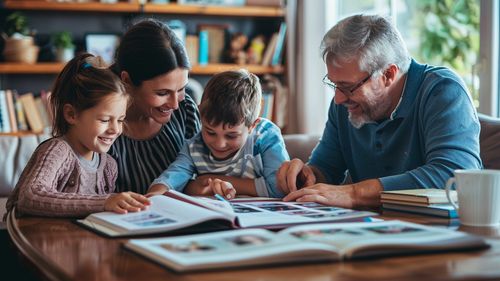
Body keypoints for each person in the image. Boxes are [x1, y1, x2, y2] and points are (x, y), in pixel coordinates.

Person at [277, 14, 482, 208]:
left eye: (348, 87)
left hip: (437, 233)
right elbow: (326, 168)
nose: (338, 99)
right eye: (334, 84)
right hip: (371, 230)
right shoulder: (345, 104)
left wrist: (355, 193)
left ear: (388, 74)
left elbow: (457, 177)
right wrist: (306, 176)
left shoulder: (442, 91)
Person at [5, 53, 150, 218]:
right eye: (104, 120)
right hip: (28, 240)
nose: (115, 129)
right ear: (71, 114)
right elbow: (31, 196)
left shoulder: (109, 165)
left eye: (120, 120)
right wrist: (104, 202)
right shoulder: (57, 151)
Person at [147, 70, 289, 199]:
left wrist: (217, 180)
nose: (219, 144)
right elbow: (174, 175)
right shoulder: (195, 146)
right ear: (200, 115)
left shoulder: (266, 136)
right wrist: (154, 194)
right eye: (210, 132)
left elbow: (279, 188)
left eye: (231, 136)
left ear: (252, 126)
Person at [108, 18, 201, 194]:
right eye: (162, 93)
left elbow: (201, 170)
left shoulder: (186, 109)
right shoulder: (101, 124)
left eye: (181, 89)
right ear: (127, 80)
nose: (174, 104)